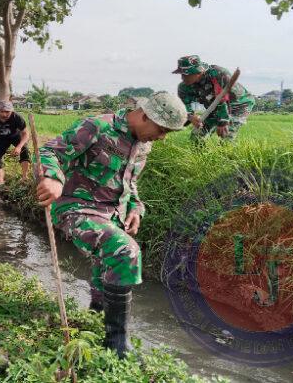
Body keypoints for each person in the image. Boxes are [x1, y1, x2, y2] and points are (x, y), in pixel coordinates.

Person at [35, 92, 187, 358]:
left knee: (105, 269)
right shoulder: (97, 127)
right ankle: (117, 344)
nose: (162, 137)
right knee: (124, 251)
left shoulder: (143, 145)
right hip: (76, 208)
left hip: (110, 215)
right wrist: (53, 178)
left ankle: (94, 322)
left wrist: (135, 208)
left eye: (167, 133)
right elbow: (50, 152)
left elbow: (130, 183)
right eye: (161, 129)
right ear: (144, 115)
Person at [173, 55, 255, 143]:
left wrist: (223, 121)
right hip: (214, 107)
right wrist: (191, 117)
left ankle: (228, 155)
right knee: (196, 136)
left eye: (186, 75)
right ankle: (201, 156)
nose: (182, 78)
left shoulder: (218, 74)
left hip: (238, 104)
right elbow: (185, 105)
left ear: (198, 72)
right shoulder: (184, 87)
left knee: (227, 136)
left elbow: (223, 98)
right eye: (182, 74)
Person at [0, 100, 30, 188]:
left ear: (11, 111)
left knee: (25, 150)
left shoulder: (17, 117)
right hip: (1, 138)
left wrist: (19, 147)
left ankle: (24, 177)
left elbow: (26, 134)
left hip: (16, 136)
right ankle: (0, 181)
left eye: (7, 112)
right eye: (2, 112)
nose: (4, 114)